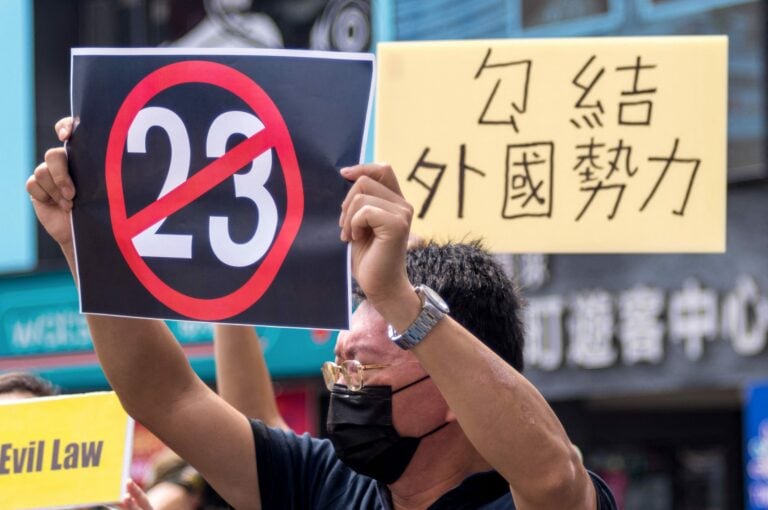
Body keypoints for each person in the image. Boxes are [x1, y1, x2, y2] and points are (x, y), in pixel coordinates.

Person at [29, 117, 617, 510]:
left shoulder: (521, 496)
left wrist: (400, 298)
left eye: (363, 371)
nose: (345, 387)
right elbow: (166, 395)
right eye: (342, 372)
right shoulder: (322, 482)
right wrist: (90, 245)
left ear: (450, 389)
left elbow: (553, 474)